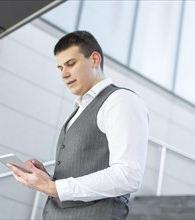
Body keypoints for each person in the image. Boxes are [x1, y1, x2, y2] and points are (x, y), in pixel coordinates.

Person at [8, 30, 150, 220]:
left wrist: (55, 188)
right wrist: (47, 180)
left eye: (71, 64)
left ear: (94, 59)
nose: (64, 74)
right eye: (60, 68)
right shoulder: (78, 110)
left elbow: (128, 175)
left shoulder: (120, 100)